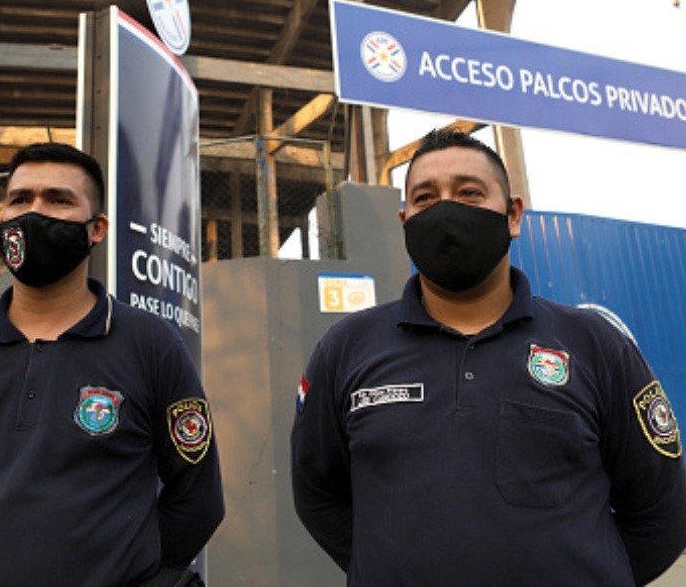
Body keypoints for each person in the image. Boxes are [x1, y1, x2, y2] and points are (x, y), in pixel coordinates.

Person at [291, 128, 686, 586]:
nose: (445, 209)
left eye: (469, 193)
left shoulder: (595, 344)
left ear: (513, 215)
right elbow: (318, 494)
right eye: (425, 197)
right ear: (405, 220)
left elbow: (662, 508)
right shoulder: (346, 349)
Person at [0, 142, 224, 587]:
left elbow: (198, 500)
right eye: (20, 199)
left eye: (59, 200)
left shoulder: (151, 345)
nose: (34, 212)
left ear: (96, 228)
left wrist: (133, 572)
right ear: (3, 215)